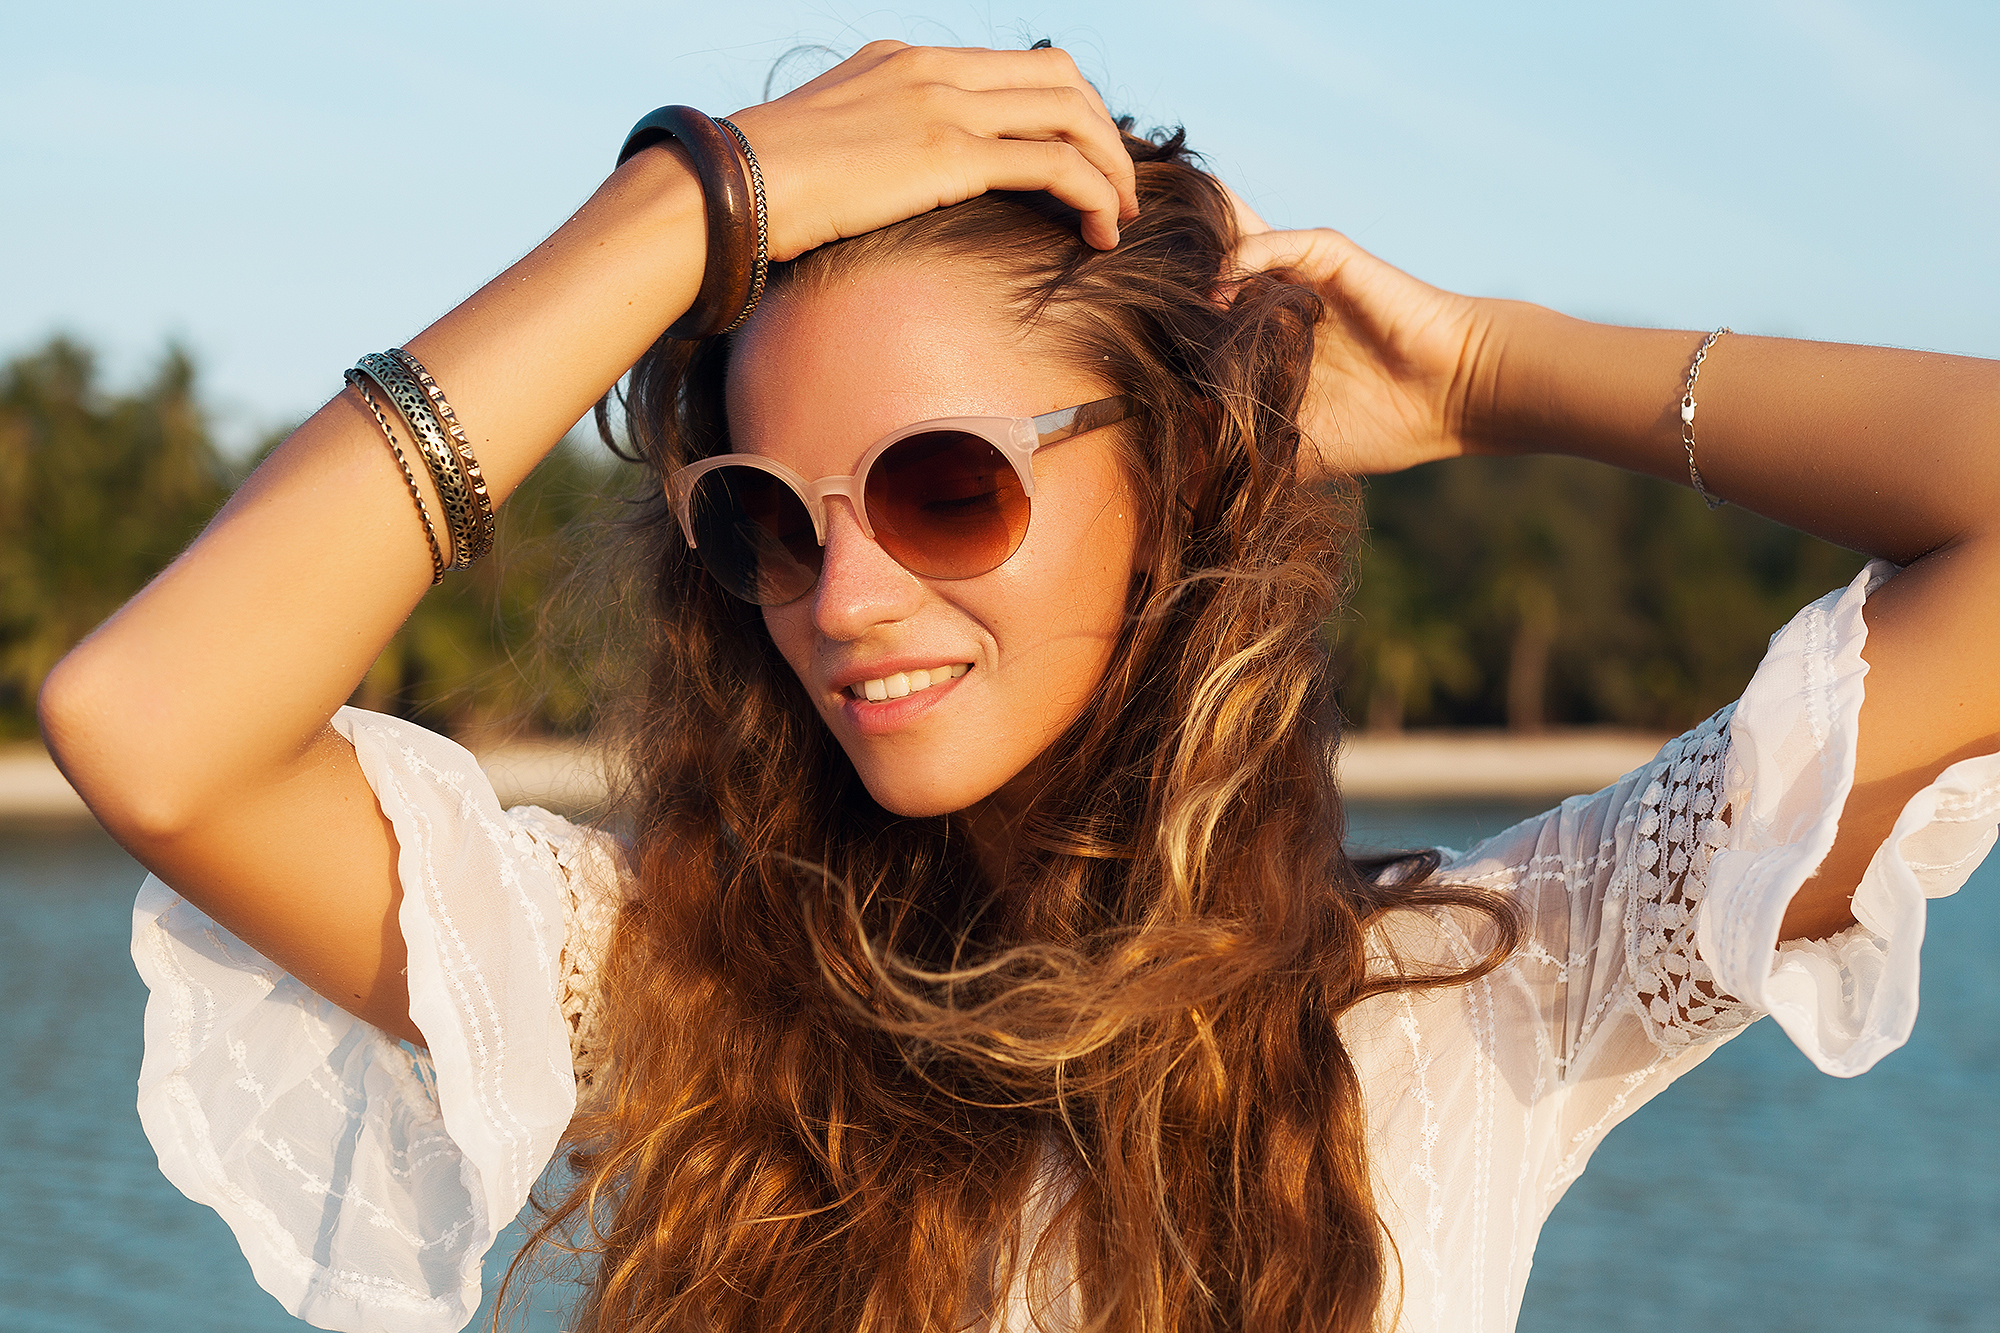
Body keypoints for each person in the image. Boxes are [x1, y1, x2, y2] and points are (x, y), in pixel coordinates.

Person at [38, 40, 2000, 1333]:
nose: (845, 592)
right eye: (760, 521)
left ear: (1164, 495)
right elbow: (153, 723)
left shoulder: (1482, 996)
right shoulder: (674, 1005)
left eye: (944, 485)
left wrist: (1494, 368)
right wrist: (683, 208)